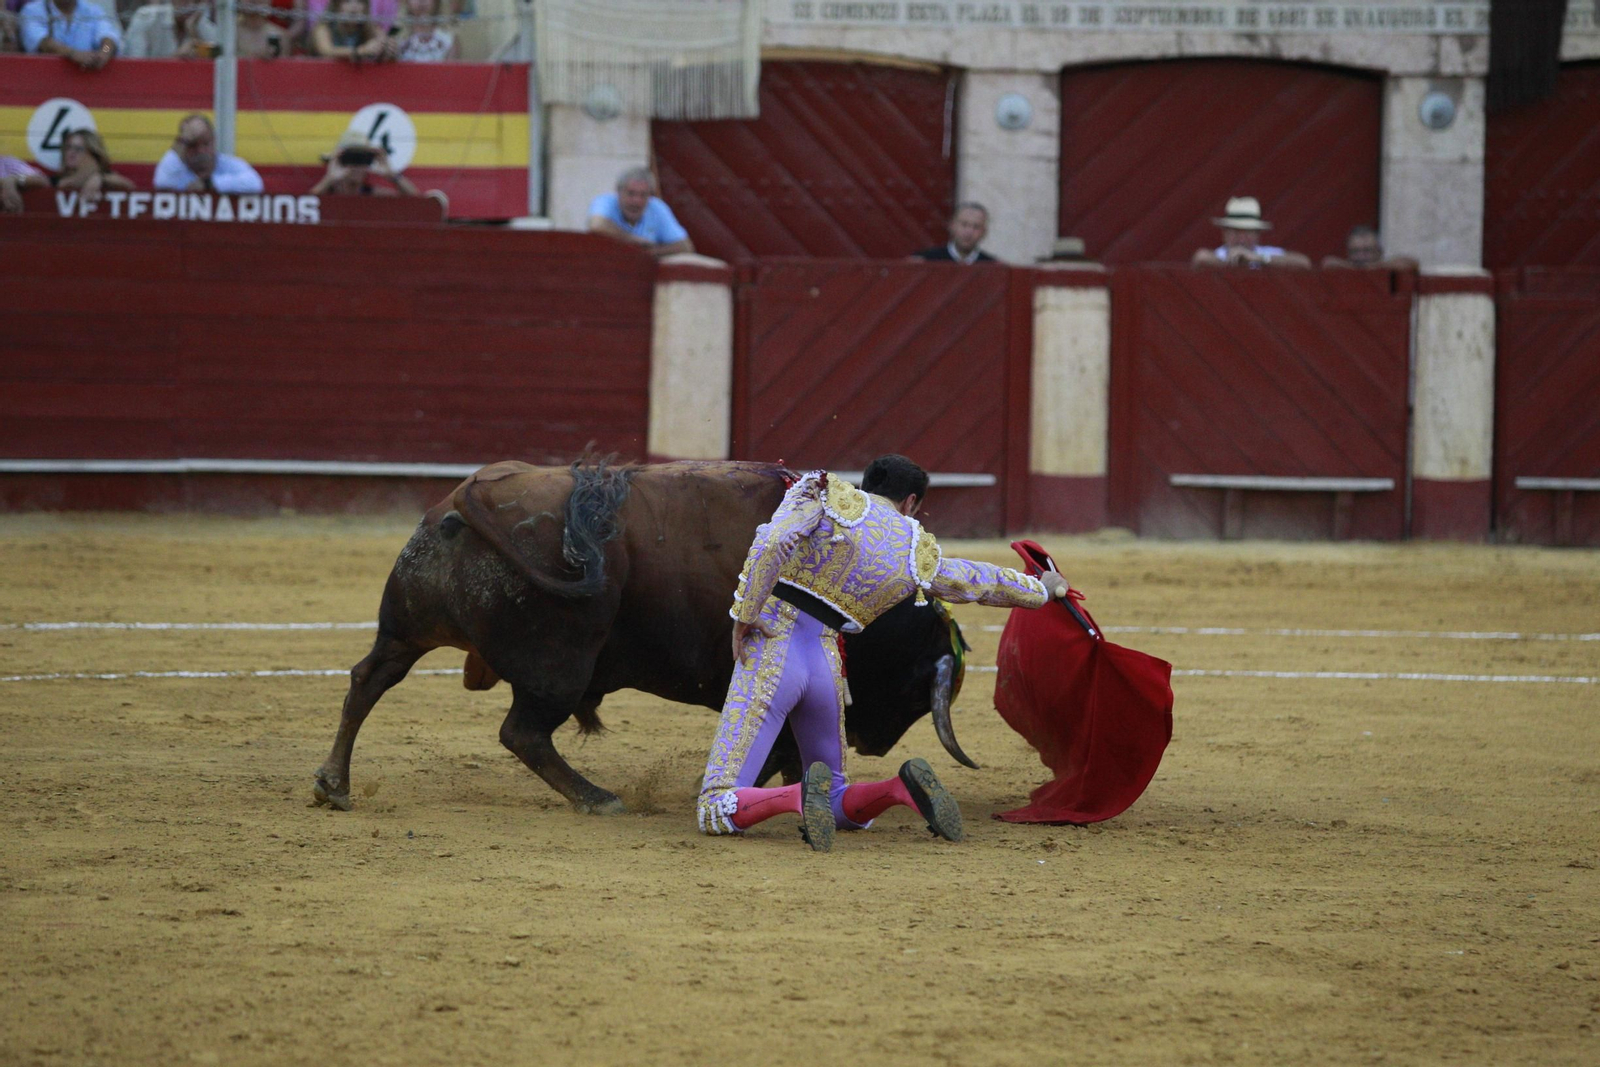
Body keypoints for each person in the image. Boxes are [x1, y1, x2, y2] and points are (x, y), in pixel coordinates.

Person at [697, 455, 1071, 852]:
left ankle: (797, 797)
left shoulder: (824, 494)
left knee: (715, 804)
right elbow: (975, 581)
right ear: (911, 502)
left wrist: (745, 612)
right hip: (825, 664)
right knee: (837, 798)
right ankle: (896, 790)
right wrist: (1040, 588)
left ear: (865, 484)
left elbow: (773, 541)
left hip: (773, 647)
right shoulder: (915, 550)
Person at [586, 166, 694, 257]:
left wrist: (650, 253)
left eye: (643, 195)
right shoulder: (605, 201)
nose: (637, 201)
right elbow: (597, 225)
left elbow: (685, 246)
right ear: (618, 192)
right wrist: (634, 241)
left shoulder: (657, 207)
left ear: (650, 196)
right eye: (631, 193)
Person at [153, 113, 264, 194]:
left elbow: (255, 183)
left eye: (206, 144)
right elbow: (161, 182)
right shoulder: (177, 169)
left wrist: (208, 184)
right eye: (193, 145)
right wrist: (183, 139)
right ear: (183, 147)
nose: (200, 151)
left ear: (214, 142)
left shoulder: (228, 164)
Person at [1191, 196, 1311, 270]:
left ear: (1258, 234)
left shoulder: (1264, 253)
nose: (1242, 239)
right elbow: (1200, 258)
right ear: (1225, 233)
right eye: (1236, 232)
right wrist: (1230, 263)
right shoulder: (1220, 254)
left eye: (1248, 232)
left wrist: (1258, 259)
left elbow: (1303, 263)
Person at [310, 131, 418, 196]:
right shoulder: (325, 195)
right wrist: (329, 179)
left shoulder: (375, 195)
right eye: (350, 159)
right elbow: (303, 207)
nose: (356, 166)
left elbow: (418, 203)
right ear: (337, 163)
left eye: (362, 159)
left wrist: (392, 175)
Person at [19, 0, 121, 67]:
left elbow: (108, 37)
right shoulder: (33, 10)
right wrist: (72, 54)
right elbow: (43, 42)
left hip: (87, 80)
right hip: (44, 80)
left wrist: (104, 53)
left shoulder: (92, 10)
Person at [53, 128, 133, 204]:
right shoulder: (56, 179)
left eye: (78, 149)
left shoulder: (105, 176)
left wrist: (101, 178)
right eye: (68, 147)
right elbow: (52, 183)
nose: (71, 153)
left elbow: (129, 186)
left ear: (93, 154)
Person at [123, 0, 218, 58]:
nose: (190, 4)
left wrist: (193, 33)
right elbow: (133, 70)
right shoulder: (145, 18)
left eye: (197, 1)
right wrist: (176, 58)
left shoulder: (208, 29)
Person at [913, 202, 997, 264]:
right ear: (952, 226)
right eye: (964, 225)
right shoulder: (927, 261)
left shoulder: (992, 267)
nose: (969, 232)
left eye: (976, 227)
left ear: (984, 232)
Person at [310, 0, 388, 59]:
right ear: (337, 6)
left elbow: (383, 42)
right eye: (347, 1)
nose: (354, 7)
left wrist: (387, 49)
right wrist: (361, 51)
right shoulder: (324, 27)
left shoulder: (371, 28)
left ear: (366, 8)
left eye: (359, 1)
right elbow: (326, 51)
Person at [1321, 224, 1419, 271]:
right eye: (1356, 251)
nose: (1362, 256)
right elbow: (1328, 263)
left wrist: (1372, 267)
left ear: (1379, 251)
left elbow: (1411, 263)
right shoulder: (1344, 269)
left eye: (1367, 250)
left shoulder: (1387, 268)